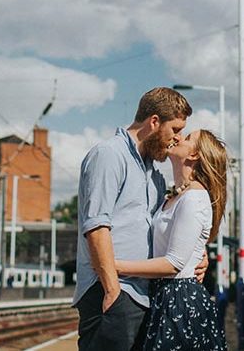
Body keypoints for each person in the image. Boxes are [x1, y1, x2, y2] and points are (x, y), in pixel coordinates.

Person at [75, 87, 204, 351]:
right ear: (154, 122)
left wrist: (199, 256)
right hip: (112, 290)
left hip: (143, 295)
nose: (176, 139)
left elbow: (166, 231)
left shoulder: (155, 177)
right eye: (175, 129)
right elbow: (96, 227)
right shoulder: (109, 155)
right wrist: (112, 289)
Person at [115, 129, 228, 351]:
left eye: (187, 138)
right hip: (165, 295)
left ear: (195, 155)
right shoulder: (177, 195)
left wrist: (115, 266)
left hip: (179, 301)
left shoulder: (194, 198)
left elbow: (174, 263)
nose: (177, 137)